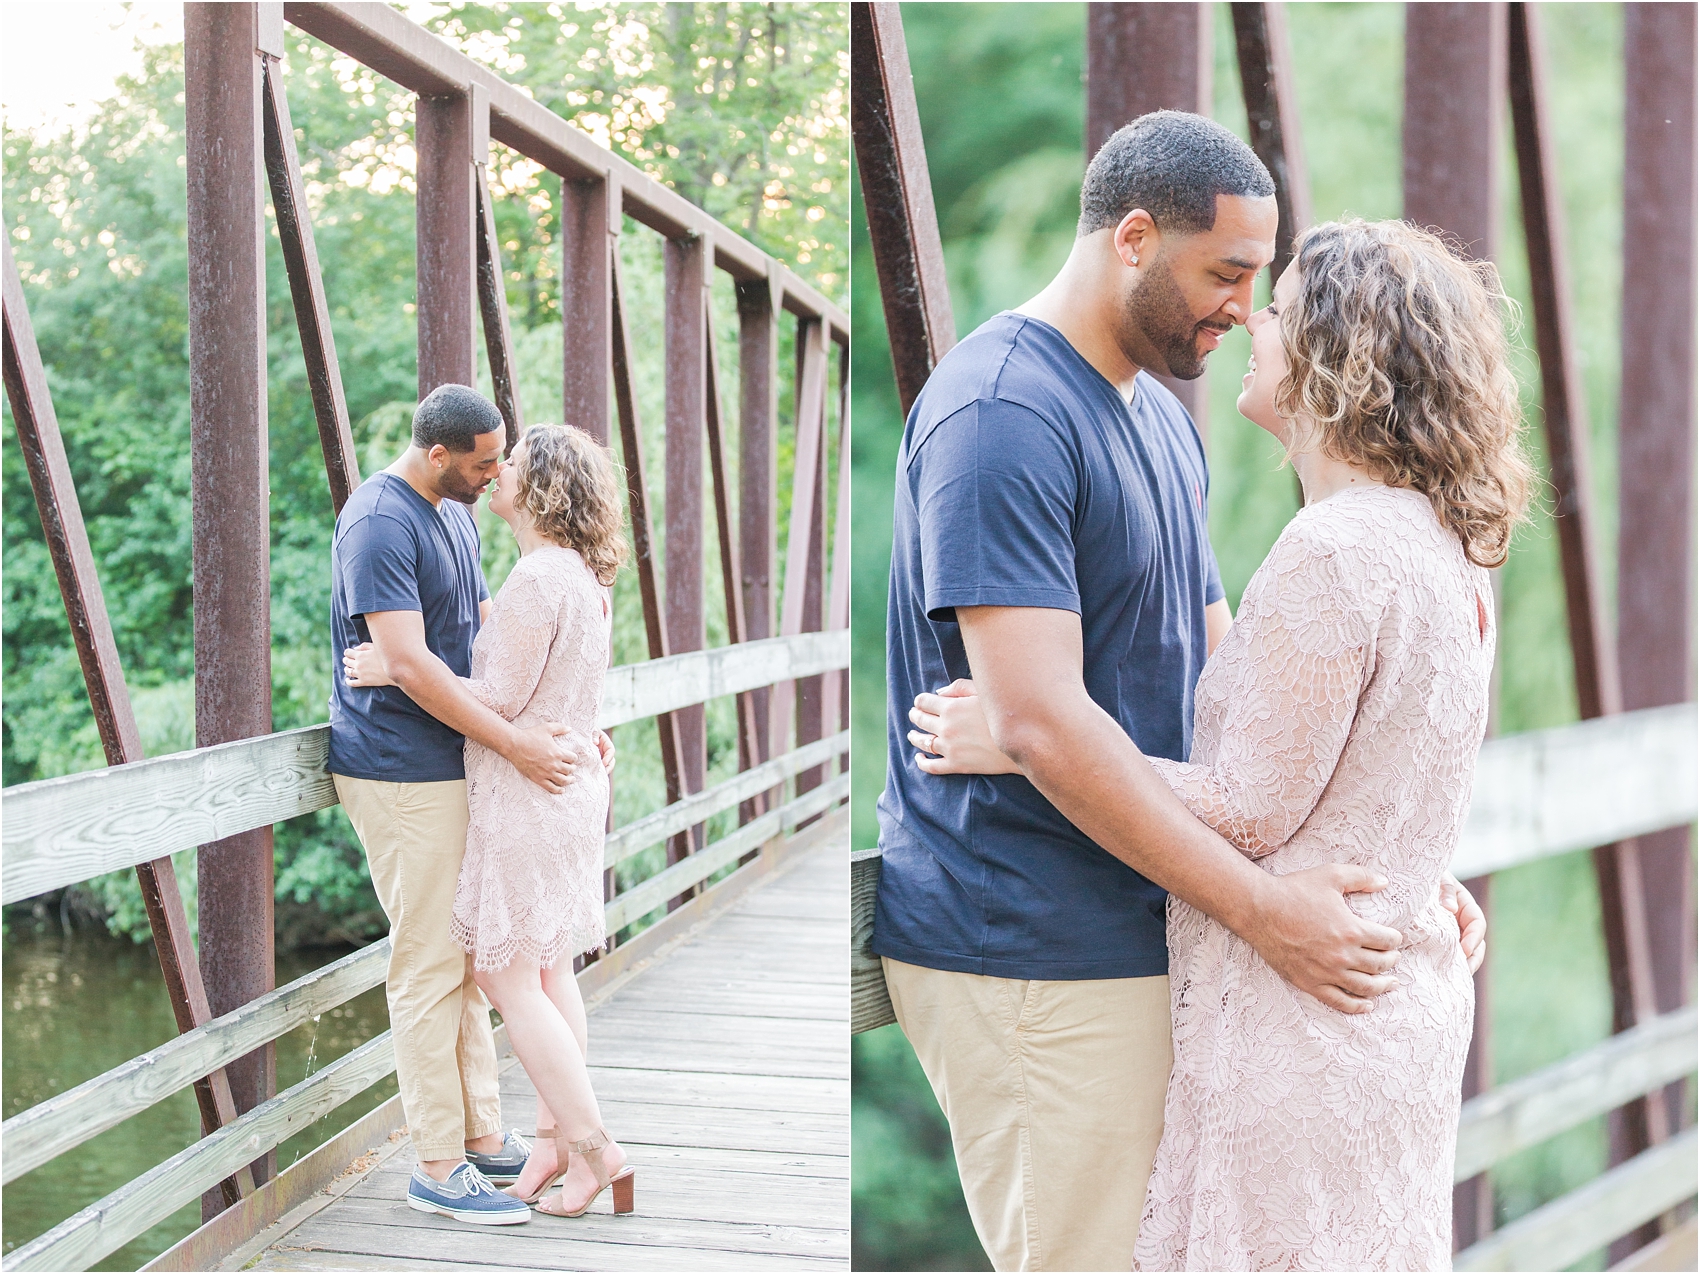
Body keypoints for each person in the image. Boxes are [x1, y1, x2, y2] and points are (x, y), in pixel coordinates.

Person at [873, 111, 1484, 1272]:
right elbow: (1038, 721)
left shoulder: (1158, 416)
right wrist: (1264, 909)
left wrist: (1397, 861)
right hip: (1032, 935)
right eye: (1225, 274)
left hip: (1147, 914)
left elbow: (1240, 686)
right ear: (1134, 237)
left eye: (1257, 281)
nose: (1246, 311)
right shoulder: (1002, 412)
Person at [347, 423, 634, 1221]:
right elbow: (550, 683)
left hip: (525, 794)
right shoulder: (577, 577)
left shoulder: (537, 580)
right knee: (548, 970)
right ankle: (549, 1142)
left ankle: (591, 1148)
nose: (495, 474)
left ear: (538, 488)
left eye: (510, 465)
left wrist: (395, 671)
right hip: (568, 787)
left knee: (502, 975)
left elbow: (500, 702)